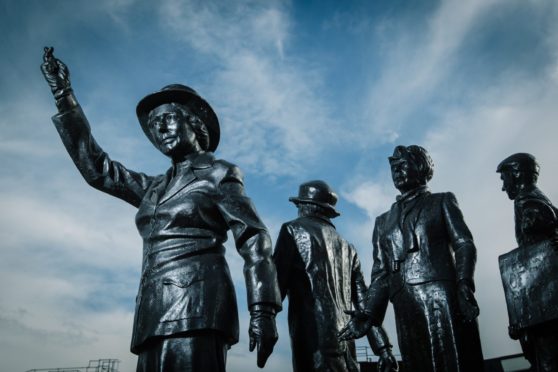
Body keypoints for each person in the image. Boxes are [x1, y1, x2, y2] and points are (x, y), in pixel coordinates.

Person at [40, 47, 281, 371]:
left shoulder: (218, 173)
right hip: (153, 313)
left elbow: (254, 239)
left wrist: (263, 310)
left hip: (199, 307)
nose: (160, 129)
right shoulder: (153, 186)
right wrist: (63, 95)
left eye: (167, 118)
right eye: (154, 125)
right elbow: (99, 170)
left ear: (195, 124)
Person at [339, 145, 484, 371]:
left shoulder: (442, 201)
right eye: (393, 168)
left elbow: (464, 243)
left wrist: (464, 282)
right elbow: (380, 273)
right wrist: (369, 313)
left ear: (420, 167)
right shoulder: (382, 221)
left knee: (453, 360)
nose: (397, 171)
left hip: (442, 295)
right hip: (404, 301)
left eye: (402, 165)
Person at [273, 180, 398, 372]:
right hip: (347, 346)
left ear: (308, 206)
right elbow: (365, 306)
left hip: (313, 340)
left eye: (299, 205)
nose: (298, 210)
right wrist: (383, 349)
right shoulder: (349, 248)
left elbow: (275, 287)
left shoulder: (293, 230)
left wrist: (263, 317)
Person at [497, 153, 558, 371]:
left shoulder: (529, 204)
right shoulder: (540, 200)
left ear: (516, 174)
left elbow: (534, 262)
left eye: (504, 179)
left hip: (546, 311)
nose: (504, 187)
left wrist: (521, 314)